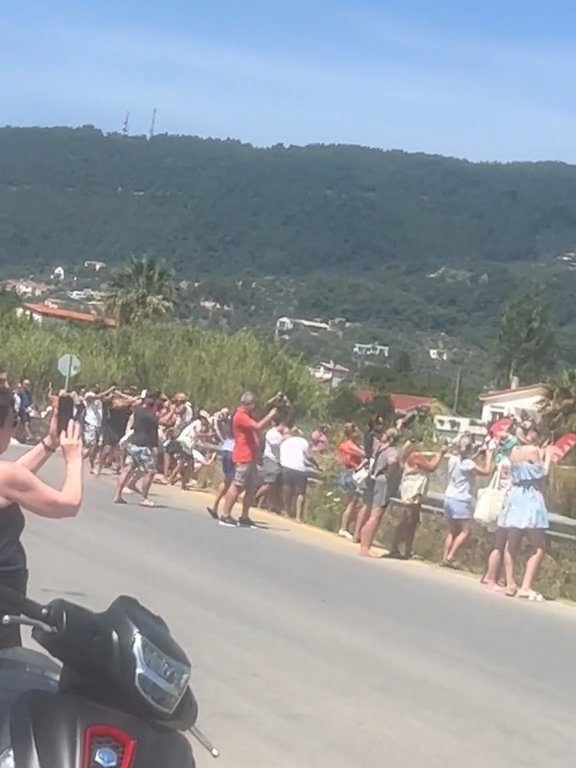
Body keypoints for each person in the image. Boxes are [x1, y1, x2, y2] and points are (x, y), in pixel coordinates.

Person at [0, 388, 83, 648]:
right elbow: (67, 504)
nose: (14, 429)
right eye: (13, 421)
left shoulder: (7, 476)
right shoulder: (6, 477)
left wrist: (49, 443)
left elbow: (15, 479)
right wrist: (74, 459)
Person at [498, 425, 551, 601]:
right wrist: (547, 456)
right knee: (539, 545)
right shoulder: (533, 451)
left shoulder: (515, 451)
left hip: (516, 495)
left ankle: (510, 583)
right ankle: (526, 586)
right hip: (530, 497)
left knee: (511, 543)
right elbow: (542, 473)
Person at [218, 392, 278, 527]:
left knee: (250, 488)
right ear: (247, 404)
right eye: (252, 404)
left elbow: (257, 428)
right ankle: (225, 514)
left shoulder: (247, 417)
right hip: (243, 455)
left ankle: (244, 516)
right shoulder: (240, 416)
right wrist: (270, 415)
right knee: (237, 485)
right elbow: (257, 426)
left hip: (251, 456)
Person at [387, 439, 448, 560]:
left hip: (416, 490)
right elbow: (431, 467)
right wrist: (440, 453)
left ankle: (407, 550)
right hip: (412, 490)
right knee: (408, 519)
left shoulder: (414, 456)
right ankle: (395, 546)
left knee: (413, 521)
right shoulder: (415, 456)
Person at [441, 437, 492, 568]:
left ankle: (445, 557)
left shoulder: (453, 459)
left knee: (452, 531)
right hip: (461, 498)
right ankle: (451, 555)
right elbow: (486, 471)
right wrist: (488, 456)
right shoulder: (468, 464)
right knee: (465, 531)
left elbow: (465, 460)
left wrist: (476, 454)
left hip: (449, 497)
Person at [359, 428, 401, 557]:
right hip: (383, 481)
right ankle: (365, 547)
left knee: (372, 513)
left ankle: (364, 544)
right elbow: (392, 461)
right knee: (376, 515)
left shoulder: (379, 447)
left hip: (374, 479)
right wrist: (391, 473)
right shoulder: (391, 451)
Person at [114, 391, 160, 507]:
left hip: (133, 443)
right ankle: (144, 498)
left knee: (128, 468)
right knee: (150, 471)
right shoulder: (151, 415)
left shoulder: (137, 411)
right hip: (144, 446)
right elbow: (153, 434)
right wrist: (155, 447)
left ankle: (118, 495)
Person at [279, 428, 318, 523]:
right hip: (299, 468)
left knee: (287, 488)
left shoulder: (285, 442)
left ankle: (286, 511)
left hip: (286, 466)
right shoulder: (303, 441)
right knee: (300, 492)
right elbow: (308, 455)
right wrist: (315, 464)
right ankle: (298, 516)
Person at [336, 423, 366, 540]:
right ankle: (343, 528)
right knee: (351, 502)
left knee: (353, 502)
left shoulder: (347, 444)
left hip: (347, 472)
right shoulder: (349, 446)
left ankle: (346, 526)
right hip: (351, 473)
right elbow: (364, 454)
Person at [207, 408, 235, 519]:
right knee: (235, 483)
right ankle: (226, 512)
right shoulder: (239, 424)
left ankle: (215, 506)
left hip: (226, 448)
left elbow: (216, 423)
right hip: (234, 450)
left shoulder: (228, 424)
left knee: (227, 480)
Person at [255, 417, 287, 510]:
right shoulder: (272, 433)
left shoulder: (278, 434)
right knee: (269, 483)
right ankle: (255, 498)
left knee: (272, 484)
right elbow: (275, 445)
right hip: (270, 459)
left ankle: (261, 504)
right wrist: (284, 438)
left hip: (276, 460)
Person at [16, 379, 34, 443]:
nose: (27, 386)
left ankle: (22, 437)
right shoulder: (20, 392)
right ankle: (30, 436)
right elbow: (17, 401)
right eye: (26, 384)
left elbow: (31, 402)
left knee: (25, 423)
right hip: (22, 409)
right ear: (23, 384)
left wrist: (30, 407)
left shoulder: (29, 393)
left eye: (28, 384)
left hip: (27, 410)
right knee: (25, 423)